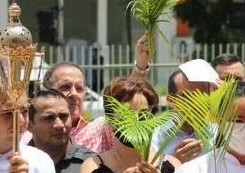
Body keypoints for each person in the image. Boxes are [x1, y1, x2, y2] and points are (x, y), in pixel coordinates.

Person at [22, 33, 153, 152]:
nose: (74, 93)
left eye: (79, 88)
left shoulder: (100, 130)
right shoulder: (26, 136)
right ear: (47, 91)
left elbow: (131, 103)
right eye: (65, 87)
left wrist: (141, 65)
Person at [150, 59, 220, 163]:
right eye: (187, 97)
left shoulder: (220, 134)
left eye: (201, 96)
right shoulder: (154, 138)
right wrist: (173, 163)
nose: (195, 104)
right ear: (171, 101)